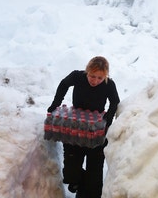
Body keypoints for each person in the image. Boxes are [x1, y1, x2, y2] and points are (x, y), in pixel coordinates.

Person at [47, 56, 120, 198]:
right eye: (92, 76)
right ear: (87, 71)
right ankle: (79, 183)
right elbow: (63, 84)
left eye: (100, 78)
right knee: (70, 173)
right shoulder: (77, 76)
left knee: (94, 175)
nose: (95, 81)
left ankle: (88, 192)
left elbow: (115, 102)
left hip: (96, 130)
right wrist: (56, 103)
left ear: (105, 76)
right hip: (76, 129)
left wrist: (107, 120)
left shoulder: (109, 84)